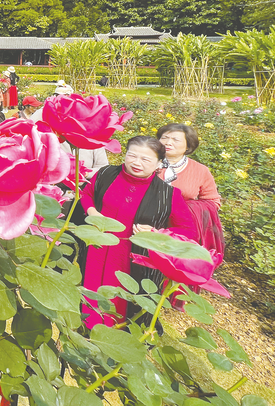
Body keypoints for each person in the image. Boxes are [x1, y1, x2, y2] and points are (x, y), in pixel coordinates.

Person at [79, 136, 196, 329]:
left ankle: (115, 340)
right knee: (90, 293)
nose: (136, 163)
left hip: (131, 259)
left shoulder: (168, 195)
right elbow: (87, 195)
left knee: (122, 303)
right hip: (96, 251)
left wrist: (156, 232)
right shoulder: (107, 174)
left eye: (145, 159)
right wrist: (92, 213)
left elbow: (187, 230)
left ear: (159, 163)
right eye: (132, 156)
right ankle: (86, 329)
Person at [156, 124, 223, 254]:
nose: (168, 142)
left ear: (188, 146)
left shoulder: (200, 171)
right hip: (144, 224)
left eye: (176, 140)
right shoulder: (145, 162)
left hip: (180, 230)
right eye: (164, 138)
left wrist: (182, 210)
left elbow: (213, 202)